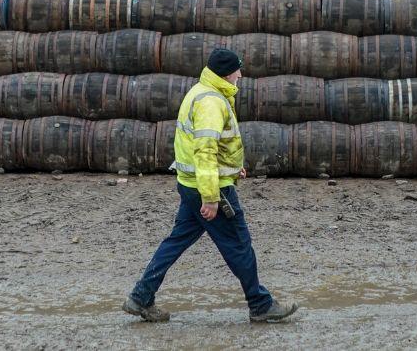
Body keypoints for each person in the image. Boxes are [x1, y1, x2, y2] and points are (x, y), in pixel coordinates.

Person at [123, 48, 299, 324]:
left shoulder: (200, 91)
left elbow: (210, 147)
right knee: (239, 244)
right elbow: (204, 152)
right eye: (237, 70)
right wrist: (211, 197)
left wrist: (232, 167)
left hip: (191, 184)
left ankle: (140, 297)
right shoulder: (211, 103)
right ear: (226, 73)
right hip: (208, 188)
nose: (240, 75)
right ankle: (260, 304)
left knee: (176, 242)